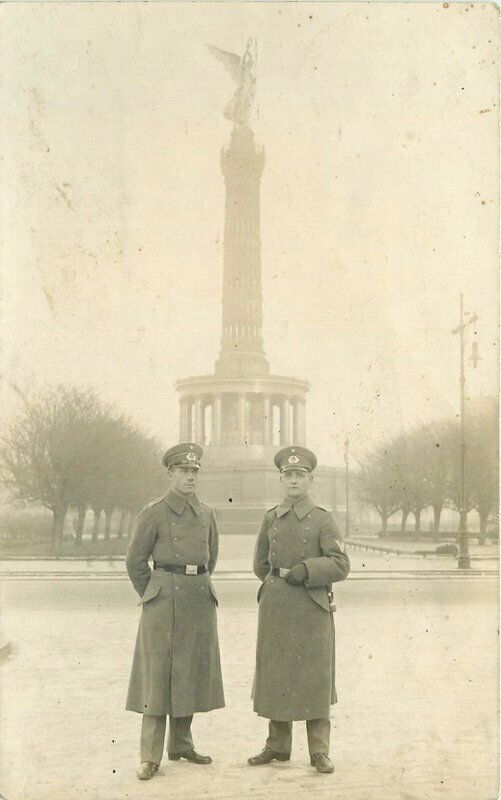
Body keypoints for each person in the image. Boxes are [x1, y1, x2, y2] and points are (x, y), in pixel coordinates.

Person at [248, 445, 350, 774]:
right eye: (288, 475)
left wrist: (307, 569)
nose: (293, 480)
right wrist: (276, 585)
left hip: (312, 605)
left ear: (310, 480)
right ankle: (277, 745)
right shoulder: (270, 518)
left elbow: (340, 563)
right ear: (280, 479)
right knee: (277, 671)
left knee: (314, 676)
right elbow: (260, 563)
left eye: (300, 475)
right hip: (277, 605)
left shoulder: (323, 518)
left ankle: (319, 751)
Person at [125, 442, 225, 780]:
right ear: (170, 474)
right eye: (183, 471)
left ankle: (181, 744)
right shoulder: (154, 511)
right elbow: (135, 561)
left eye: (194, 471)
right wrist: (154, 592)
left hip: (198, 599)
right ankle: (149, 756)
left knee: (189, 670)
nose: (190, 477)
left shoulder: (207, 512)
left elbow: (211, 557)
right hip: (164, 600)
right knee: (157, 676)